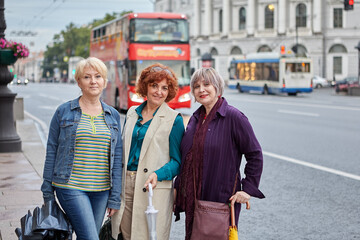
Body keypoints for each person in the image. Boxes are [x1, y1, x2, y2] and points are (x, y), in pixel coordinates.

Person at [174, 67, 265, 240]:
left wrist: (248, 189)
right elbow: (187, 158)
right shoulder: (196, 118)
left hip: (220, 199)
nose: (201, 89)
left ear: (217, 87)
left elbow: (254, 154)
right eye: (197, 86)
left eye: (207, 84)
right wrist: (178, 188)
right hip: (195, 197)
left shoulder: (233, 117)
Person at [41, 57, 123, 240]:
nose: (93, 81)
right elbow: (52, 151)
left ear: (104, 81)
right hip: (70, 186)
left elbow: (117, 158)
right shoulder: (64, 112)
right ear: (79, 82)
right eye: (87, 77)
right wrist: (47, 191)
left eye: (98, 76)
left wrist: (115, 196)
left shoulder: (113, 115)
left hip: (102, 190)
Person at [111, 63, 185, 240]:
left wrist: (158, 174)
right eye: (154, 86)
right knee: (123, 234)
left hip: (153, 187)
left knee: (147, 235)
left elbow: (177, 162)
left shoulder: (174, 120)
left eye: (164, 88)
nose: (159, 92)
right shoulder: (131, 113)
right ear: (145, 86)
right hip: (125, 185)